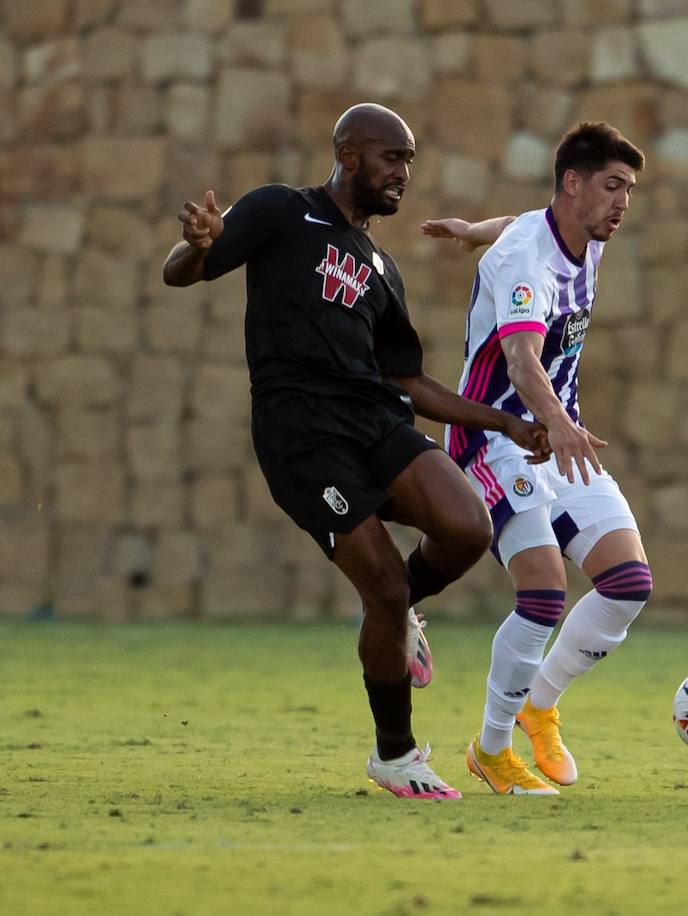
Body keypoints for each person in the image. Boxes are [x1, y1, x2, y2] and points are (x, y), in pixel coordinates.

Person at [161, 103, 550, 800]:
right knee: (383, 582)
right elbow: (182, 272)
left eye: (408, 162)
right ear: (348, 154)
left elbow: (406, 379)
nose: (403, 173)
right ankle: (395, 755)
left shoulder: (380, 267)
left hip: (375, 420)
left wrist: (506, 423)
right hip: (302, 434)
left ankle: (398, 617)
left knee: (466, 527)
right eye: (391, 158)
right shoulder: (283, 211)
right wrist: (197, 244)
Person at [427, 122, 652, 796]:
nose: (623, 203)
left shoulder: (577, 235)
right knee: (545, 592)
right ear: (574, 184)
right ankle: (491, 750)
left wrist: (474, 230)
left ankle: (538, 703)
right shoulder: (529, 260)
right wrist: (559, 425)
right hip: (496, 440)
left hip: (557, 437)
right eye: (613, 187)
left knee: (627, 585)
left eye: (631, 191)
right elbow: (524, 364)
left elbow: (522, 220)